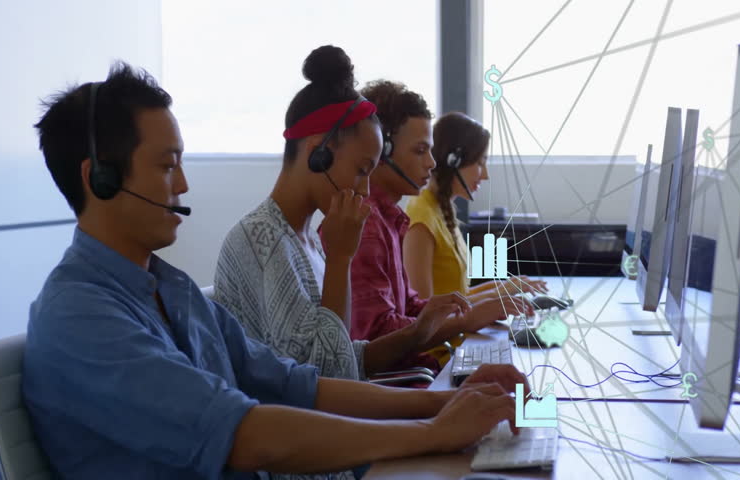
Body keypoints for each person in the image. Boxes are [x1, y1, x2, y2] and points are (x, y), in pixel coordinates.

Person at [22, 61, 529, 480]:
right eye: (166, 165)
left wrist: (445, 405)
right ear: (101, 179)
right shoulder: (80, 316)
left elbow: (299, 384)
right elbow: (247, 436)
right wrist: (432, 432)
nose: (183, 185)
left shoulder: (171, 291)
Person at [213, 45, 469, 381]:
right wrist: (340, 260)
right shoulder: (261, 239)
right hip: (301, 429)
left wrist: (418, 332)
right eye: (362, 170)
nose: (365, 190)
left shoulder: (306, 240)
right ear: (318, 151)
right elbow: (323, 376)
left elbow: (345, 357)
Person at [327, 80, 532, 365]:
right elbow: (376, 337)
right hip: (403, 385)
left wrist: (471, 308)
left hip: (417, 372)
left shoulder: (390, 219)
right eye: (420, 151)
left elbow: (412, 308)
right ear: (381, 150)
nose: (432, 164)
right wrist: (468, 318)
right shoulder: (366, 225)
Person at [403, 111, 548, 300]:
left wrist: (506, 287)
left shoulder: (441, 210)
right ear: (453, 161)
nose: (485, 175)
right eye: (480, 163)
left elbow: (455, 295)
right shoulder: (422, 220)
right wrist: (497, 294)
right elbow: (423, 311)